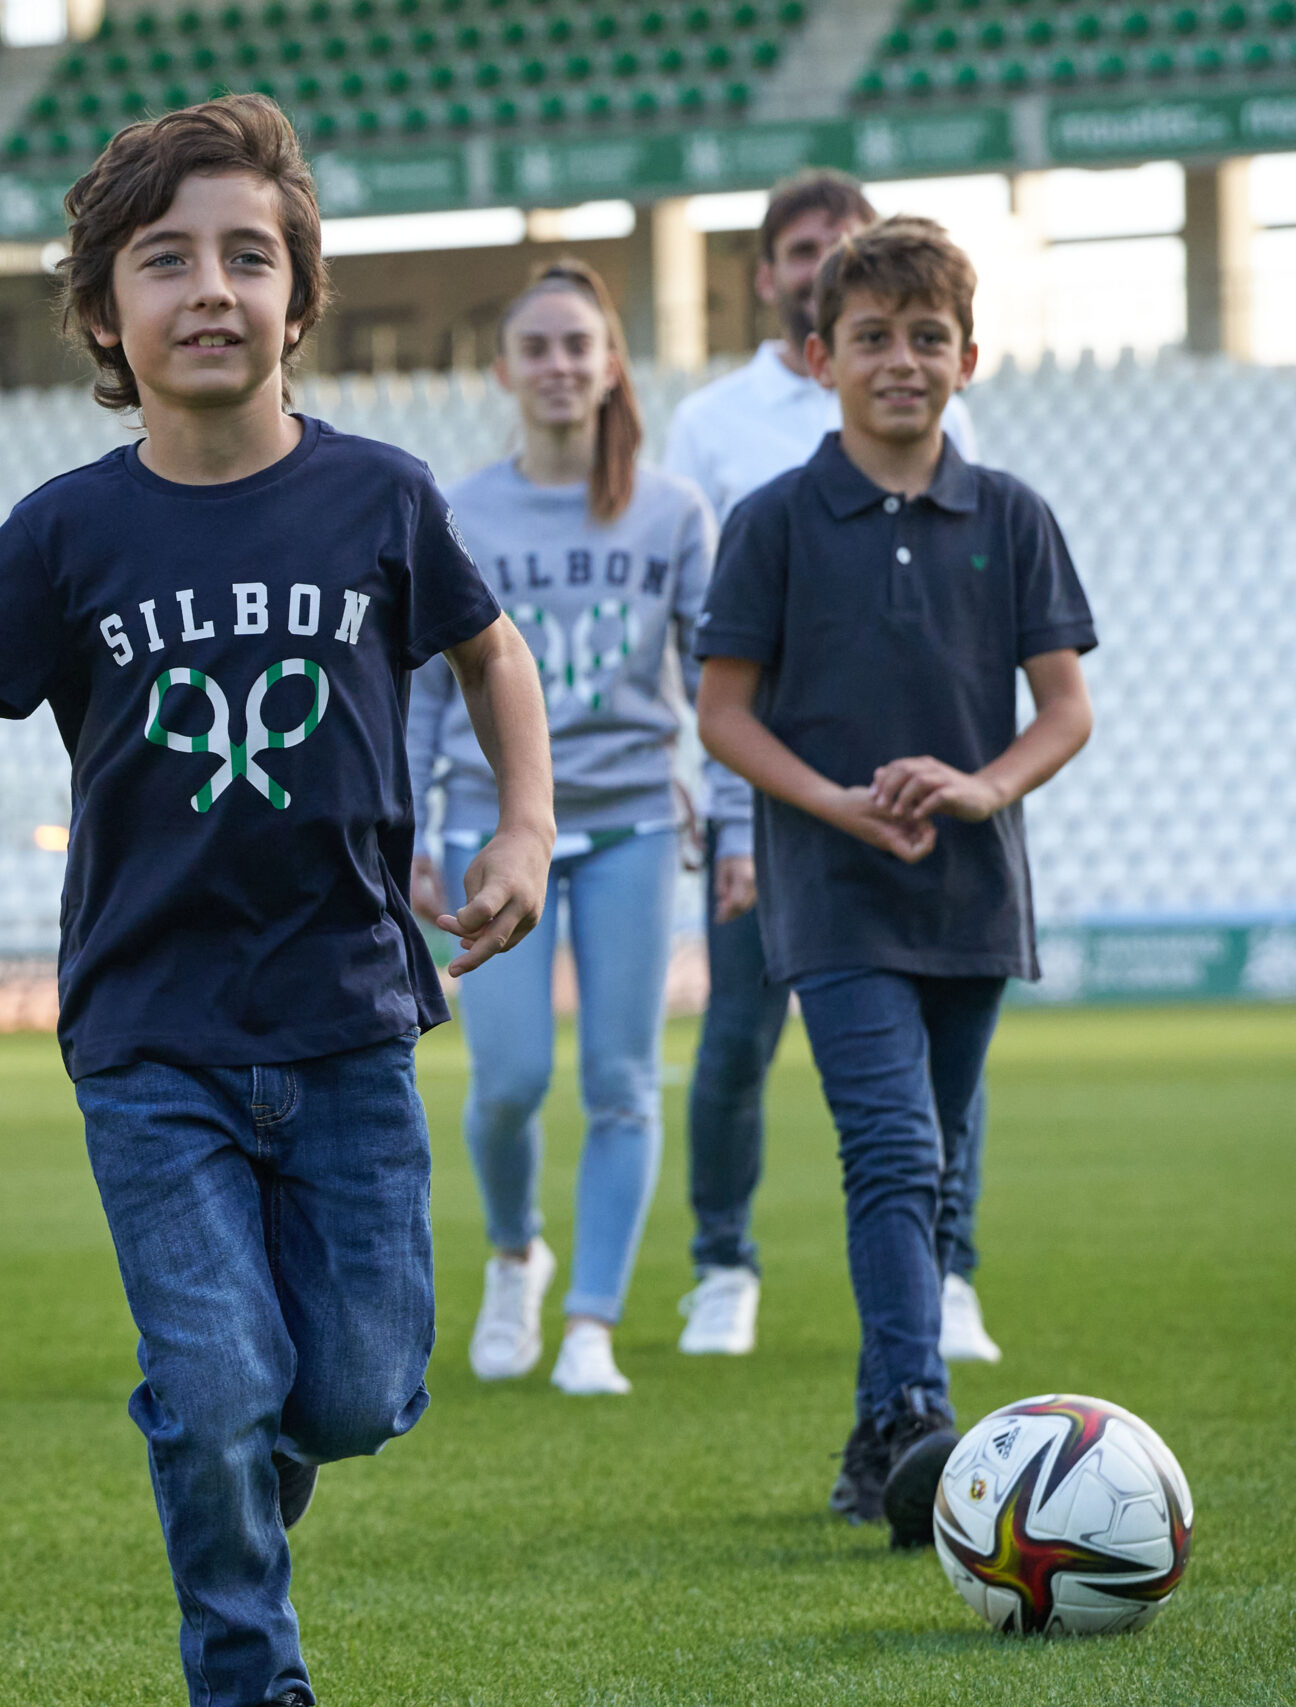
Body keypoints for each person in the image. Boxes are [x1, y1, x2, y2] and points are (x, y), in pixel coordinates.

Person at [0, 94, 552, 1707]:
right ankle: (249, 1667)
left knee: (359, 1393)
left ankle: (225, 1456)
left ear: (300, 292)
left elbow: (489, 651)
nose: (211, 289)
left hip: (352, 1026)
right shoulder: (70, 529)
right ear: (104, 312)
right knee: (221, 1384)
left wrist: (524, 825)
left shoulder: (381, 498)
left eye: (249, 256)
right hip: (154, 1040)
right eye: (166, 262)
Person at [694, 216, 1095, 1544]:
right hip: (832, 886)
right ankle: (918, 1403)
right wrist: (834, 806)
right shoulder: (773, 522)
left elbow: (1065, 708)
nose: (903, 360)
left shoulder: (1015, 515)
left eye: (930, 337)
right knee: (895, 1143)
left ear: (969, 356)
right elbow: (724, 713)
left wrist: (983, 786)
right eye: (873, 337)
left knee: (941, 1153)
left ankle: (882, 1440)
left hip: (974, 891)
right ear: (821, 356)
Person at [661, 170, 999, 1365]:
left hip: (941, 828)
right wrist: (734, 816)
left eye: (846, 239)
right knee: (740, 1043)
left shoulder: (979, 474)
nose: (829, 254)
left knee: (937, 1099)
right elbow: (705, 649)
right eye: (807, 246)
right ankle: (722, 1264)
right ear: (779, 289)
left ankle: (945, 1275)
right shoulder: (713, 430)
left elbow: (984, 642)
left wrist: (983, 786)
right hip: (784, 813)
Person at [404, 260, 721, 1398]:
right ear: (502, 369)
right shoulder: (461, 511)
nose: (557, 365)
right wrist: (409, 821)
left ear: (611, 363)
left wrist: (722, 812)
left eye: (577, 344)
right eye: (535, 347)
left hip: (633, 821)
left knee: (624, 1083)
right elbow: (430, 688)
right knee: (507, 1082)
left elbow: (720, 678)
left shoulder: (674, 511)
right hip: (488, 834)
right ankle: (512, 1254)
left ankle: (590, 1321)